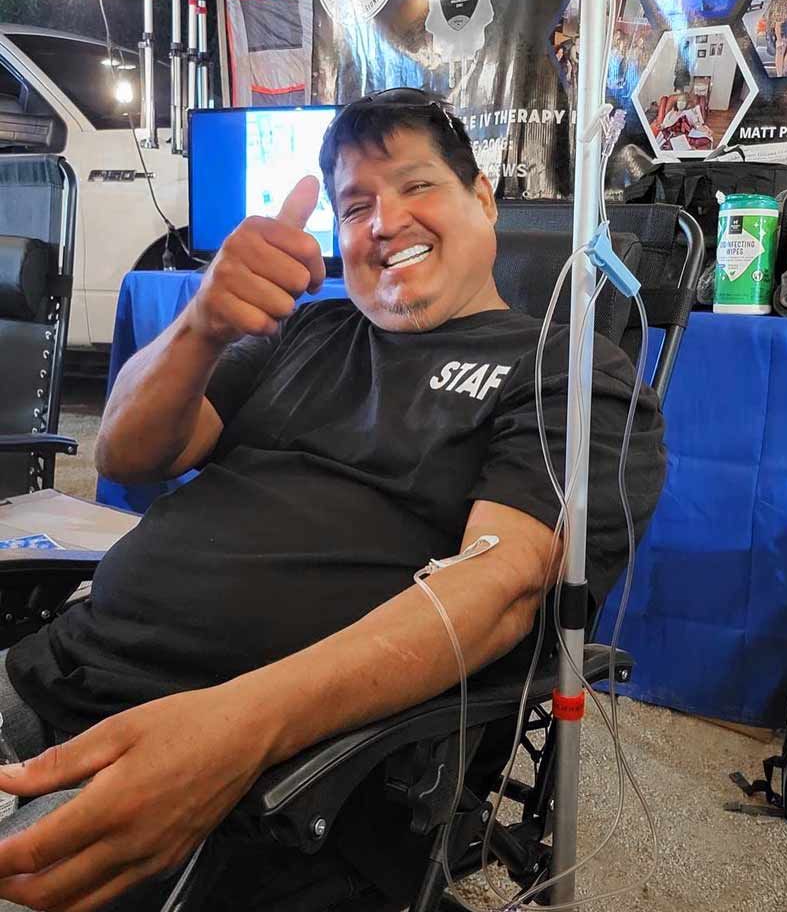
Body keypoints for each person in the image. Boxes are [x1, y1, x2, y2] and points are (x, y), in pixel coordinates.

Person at [0, 89, 666, 912]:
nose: (383, 222)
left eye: (417, 187)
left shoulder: (567, 372)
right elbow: (129, 453)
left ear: (484, 198)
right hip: (62, 664)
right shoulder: (307, 330)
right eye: (356, 206)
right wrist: (202, 324)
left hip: (239, 767)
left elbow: (501, 591)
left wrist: (238, 729)